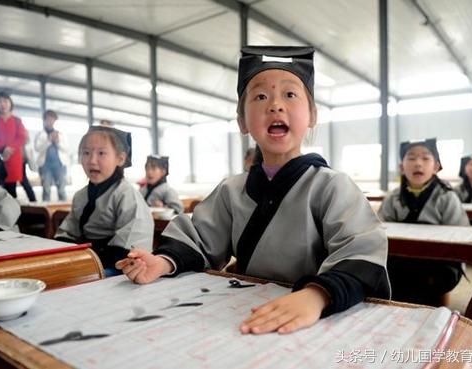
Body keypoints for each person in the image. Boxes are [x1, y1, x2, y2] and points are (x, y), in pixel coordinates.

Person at [116, 46, 390, 335]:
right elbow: (199, 239)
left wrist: (317, 295)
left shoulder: (332, 186)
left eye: (290, 94)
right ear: (243, 122)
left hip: (317, 312)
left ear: (312, 115)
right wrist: (161, 262)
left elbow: (361, 250)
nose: (275, 105)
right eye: (260, 96)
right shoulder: (231, 189)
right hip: (246, 309)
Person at [378, 138, 469, 305]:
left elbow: (460, 234)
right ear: (401, 168)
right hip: (402, 259)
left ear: (436, 167)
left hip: (439, 261)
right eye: (411, 158)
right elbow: (381, 230)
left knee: (432, 281)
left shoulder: (447, 197)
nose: (418, 163)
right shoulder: (392, 198)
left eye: (425, 158)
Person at [54, 126, 154, 275]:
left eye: (101, 153)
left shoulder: (127, 195)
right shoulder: (80, 195)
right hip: (86, 258)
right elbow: (68, 232)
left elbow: (130, 247)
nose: (92, 160)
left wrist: (86, 260)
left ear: (120, 158)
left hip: (115, 266)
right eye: (86, 153)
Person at [0, 91, 27, 199]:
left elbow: (22, 137)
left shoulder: (17, 120)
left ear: (10, 103)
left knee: (11, 191)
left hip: (12, 159)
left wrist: (10, 148)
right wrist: (3, 148)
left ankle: (12, 214)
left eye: (5, 101)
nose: (2, 104)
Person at [34, 110, 69, 202]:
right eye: (48, 119)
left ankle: (64, 210)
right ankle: (45, 211)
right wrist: (49, 141)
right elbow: (37, 148)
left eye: (52, 119)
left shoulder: (61, 134)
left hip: (59, 165)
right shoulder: (39, 134)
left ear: (55, 121)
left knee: (61, 189)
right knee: (46, 189)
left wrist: (57, 142)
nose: (50, 121)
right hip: (45, 166)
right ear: (44, 120)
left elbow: (66, 149)